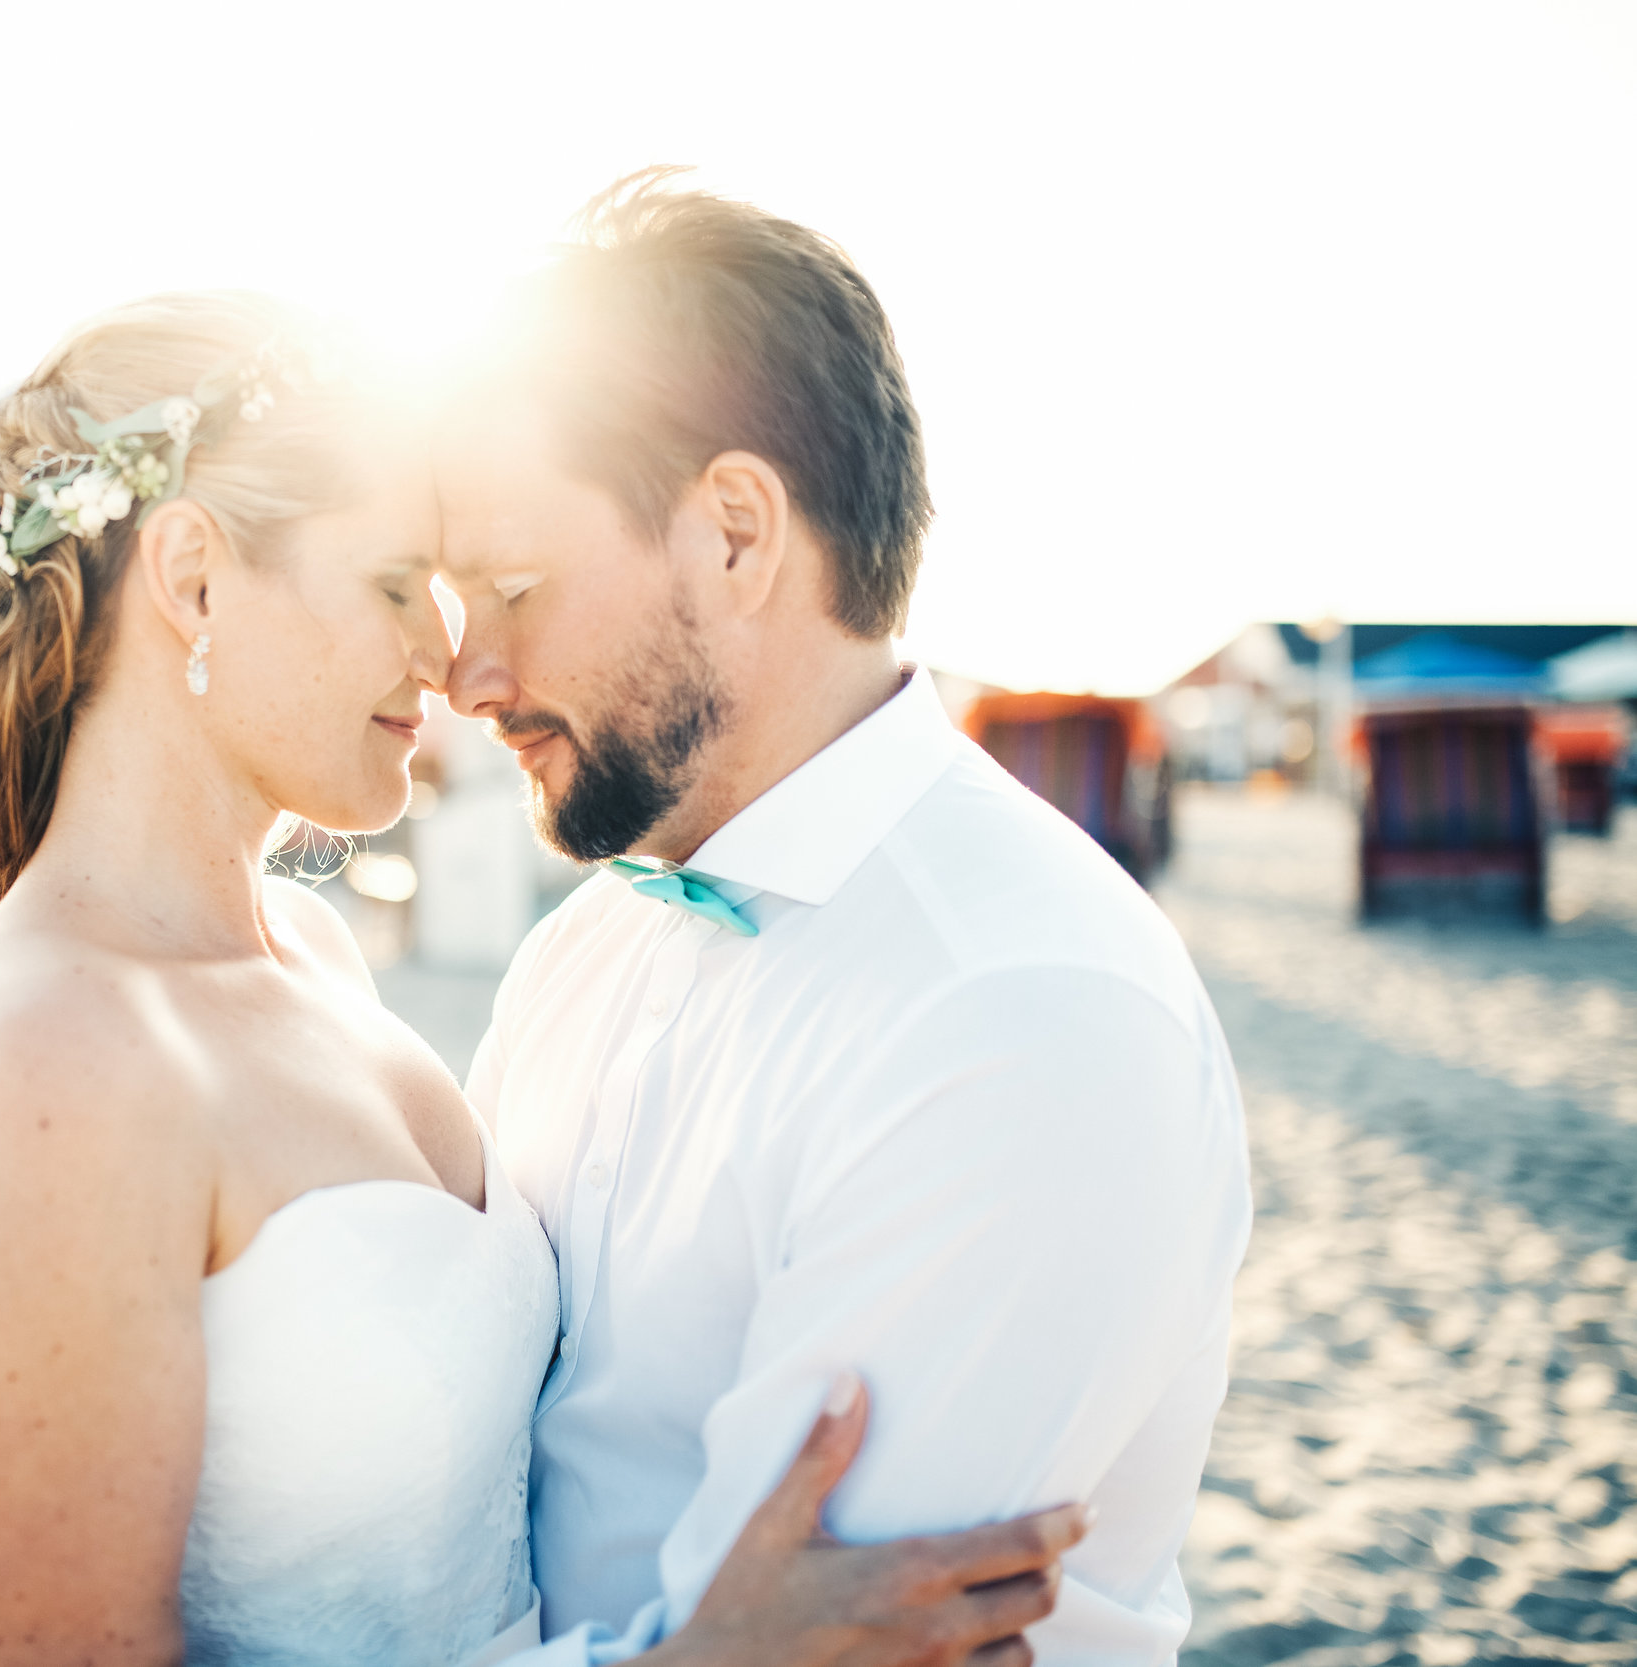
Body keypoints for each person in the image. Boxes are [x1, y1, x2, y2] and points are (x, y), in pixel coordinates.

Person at [0, 290, 1085, 1667]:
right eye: (394, 585)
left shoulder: (307, 955)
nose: (450, 660)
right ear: (194, 580)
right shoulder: (36, 1052)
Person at [429, 170, 1253, 1665]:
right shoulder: (581, 950)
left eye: (514, 585)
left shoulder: (1017, 1009)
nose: (465, 675)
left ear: (737, 534)